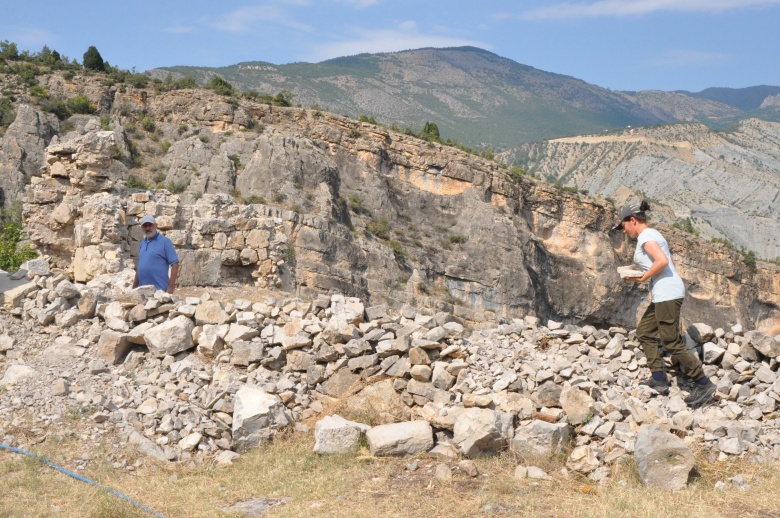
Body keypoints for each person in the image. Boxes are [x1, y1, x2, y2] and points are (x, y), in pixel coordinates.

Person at [613, 201, 716, 408]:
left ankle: (703, 384)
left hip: (667, 294)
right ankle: (659, 378)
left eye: (623, 225)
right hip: (664, 293)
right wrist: (642, 274)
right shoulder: (653, 235)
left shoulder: (646, 236)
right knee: (644, 331)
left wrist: (642, 279)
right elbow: (668, 263)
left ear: (632, 220)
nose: (623, 231)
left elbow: (662, 262)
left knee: (671, 341)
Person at [132, 215, 180, 294]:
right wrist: (134, 288)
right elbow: (140, 267)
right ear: (142, 228)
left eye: (150, 225)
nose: (147, 228)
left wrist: (171, 287)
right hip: (142, 292)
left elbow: (175, 264)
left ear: (156, 226)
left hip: (159, 292)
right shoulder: (142, 243)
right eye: (145, 226)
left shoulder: (165, 242)